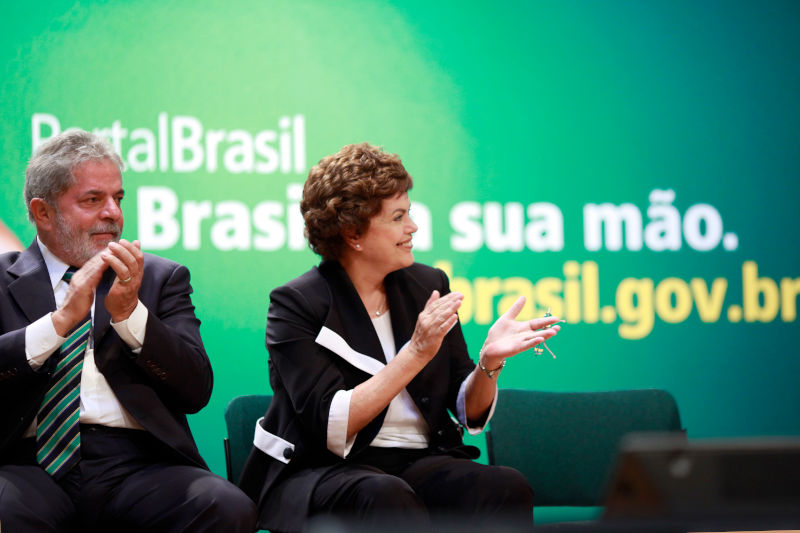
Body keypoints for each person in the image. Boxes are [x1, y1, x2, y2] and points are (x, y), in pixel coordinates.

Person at [239, 143, 562, 532]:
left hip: (418, 462)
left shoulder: (428, 284)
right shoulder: (296, 304)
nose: (413, 227)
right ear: (354, 232)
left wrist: (488, 363)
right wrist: (415, 353)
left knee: (503, 487)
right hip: (324, 470)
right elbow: (332, 424)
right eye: (398, 217)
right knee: (384, 496)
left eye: (409, 213)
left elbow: (465, 407)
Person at [0, 129, 257, 532]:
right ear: (43, 212)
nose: (113, 213)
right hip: (25, 463)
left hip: (137, 466)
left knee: (224, 505)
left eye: (118, 198)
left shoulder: (158, 278)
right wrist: (59, 323)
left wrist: (131, 316)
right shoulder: (2, 279)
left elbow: (196, 389)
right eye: (92, 200)